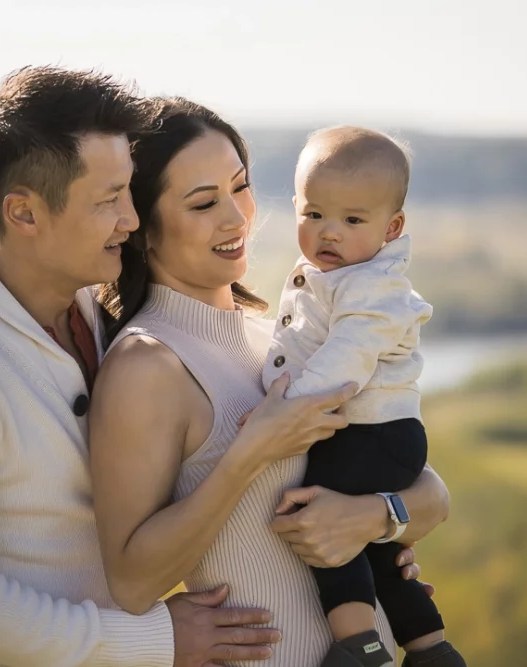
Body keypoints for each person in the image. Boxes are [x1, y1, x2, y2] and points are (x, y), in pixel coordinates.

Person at [0, 66, 382, 667]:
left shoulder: (95, 310)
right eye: (110, 200)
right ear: (25, 214)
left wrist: (381, 524)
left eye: (129, 194)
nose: (131, 221)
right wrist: (159, 640)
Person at [90, 99, 451, 667]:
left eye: (240, 188)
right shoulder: (147, 364)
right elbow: (132, 583)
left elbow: (430, 491)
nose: (237, 218)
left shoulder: (278, 340)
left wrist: (375, 520)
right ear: (144, 227)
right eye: (205, 202)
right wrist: (250, 452)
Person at [259, 127, 466, 667]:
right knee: (382, 552)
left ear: (391, 227)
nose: (329, 233)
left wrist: (286, 412)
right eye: (313, 215)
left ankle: (359, 647)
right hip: (371, 436)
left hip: (377, 436)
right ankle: (430, 647)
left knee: (329, 527)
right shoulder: (339, 275)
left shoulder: (374, 286)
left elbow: (344, 362)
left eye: (352, 221)